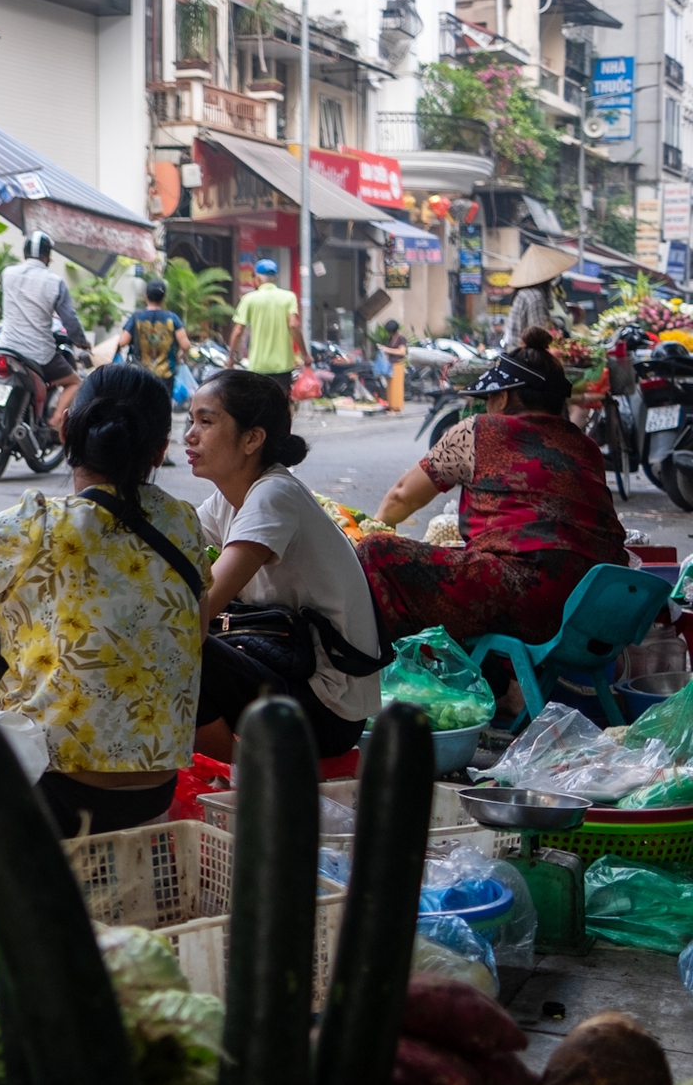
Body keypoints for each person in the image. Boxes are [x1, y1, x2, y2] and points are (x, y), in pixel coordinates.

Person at [0, 367, 206, 836]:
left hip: (55, 792)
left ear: (66, 431)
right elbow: (196, 631)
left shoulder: (33, 522)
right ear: (161, 449)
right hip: (153, 788)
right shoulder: (184, 523)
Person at [358, 328, 626, 680]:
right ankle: (501, 684)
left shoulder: (478, 430)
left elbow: (401, 497)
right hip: (596, 608)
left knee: (376, 551)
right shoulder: (585, 446)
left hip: (530, 599)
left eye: (491, 395)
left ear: (506, 397)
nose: (486, 403)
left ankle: (427, 680)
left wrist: (371, 528)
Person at [185, 371, 383, 761]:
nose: (190, 435)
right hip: (287, 671)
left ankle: (242, 781)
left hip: (327, 710)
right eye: (189, 421)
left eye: (206, 422)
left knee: (178, 647)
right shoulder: (231, 498)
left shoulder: (273, 496)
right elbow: (170, 543)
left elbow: (198, 613)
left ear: (252, 439)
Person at [0, 230, 87, 426]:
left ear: (25, 253)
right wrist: (81, 341)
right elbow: (69, 319)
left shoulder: (8, 274)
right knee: (74, 382)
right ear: (48, 256)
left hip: (6, 347)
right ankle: (56, 419)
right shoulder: (55, 283)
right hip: (39, 354)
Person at [228, 258, 305, 395]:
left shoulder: (249, 299)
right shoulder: (288, 297)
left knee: (259, 406)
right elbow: (293, 325)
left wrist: (231, 356)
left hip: (258, 366)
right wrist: (305, 354)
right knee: (282, 404)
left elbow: (238, 330)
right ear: (275, 278)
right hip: (283, 366)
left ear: (257, 278)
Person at [118, 279, 192, 384]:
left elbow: (123, 342)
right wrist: (182, 353)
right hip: (165, 375)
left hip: (141, 375)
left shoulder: (137, 317)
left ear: (145, 296)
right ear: (164, 298)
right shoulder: (172, 318)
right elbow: (185, 345)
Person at [378, 319, 408, 413]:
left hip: (398, 364)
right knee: (390, 387)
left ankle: (397, 407)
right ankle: (390, 406)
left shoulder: (400, 338)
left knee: (396, 387)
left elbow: (402, 352)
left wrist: (386, 349)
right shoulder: (390, 338)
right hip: (390, 365)